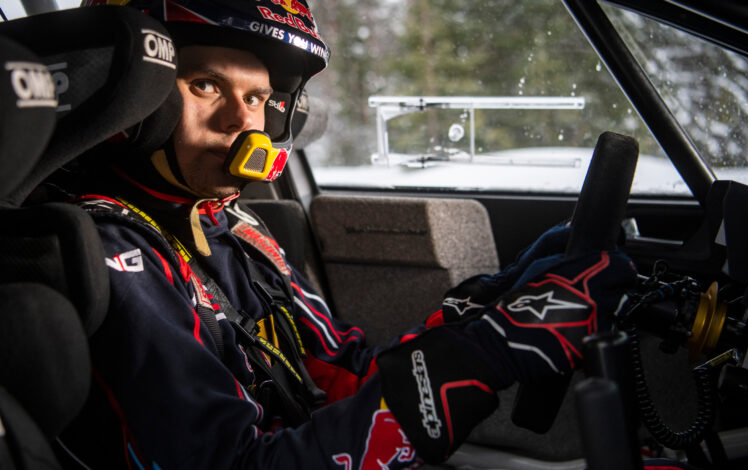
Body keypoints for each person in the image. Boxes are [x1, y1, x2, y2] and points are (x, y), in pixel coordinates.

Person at [57, 1, 638, 468]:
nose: (242, 119)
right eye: (206, 85)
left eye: (257, 97)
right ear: (138, 101)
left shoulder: (234, 226)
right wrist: (487, 356)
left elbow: (347, 370)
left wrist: (493, 307)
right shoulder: (110, 248)